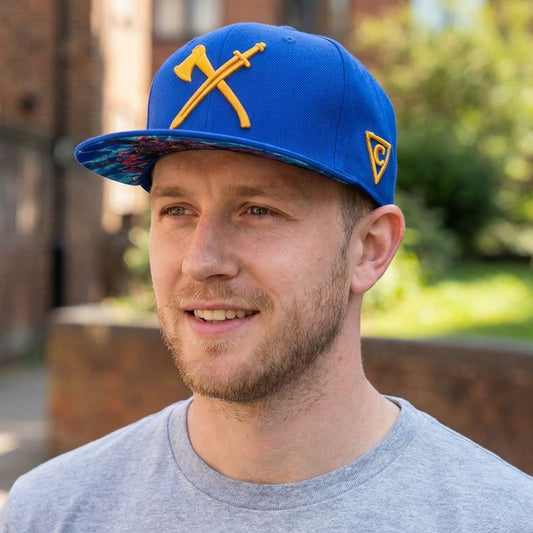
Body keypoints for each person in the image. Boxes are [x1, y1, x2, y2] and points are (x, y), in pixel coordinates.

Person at [1, 22, 531, 532]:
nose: (200, 261)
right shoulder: (51, 512)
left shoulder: (500, 519)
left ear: (370, 249)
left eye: (258, 210)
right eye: (177, 210)